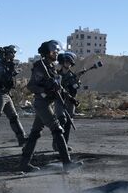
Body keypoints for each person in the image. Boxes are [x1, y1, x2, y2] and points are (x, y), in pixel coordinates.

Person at [19, 40, 82, 172]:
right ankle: (67, 163)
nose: (57, 54)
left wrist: (70, 98)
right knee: (57, 129)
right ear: (47, 53)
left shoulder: (51, 67)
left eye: (57, 51)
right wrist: (44, 90)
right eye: (54, 52)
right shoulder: (40, 66)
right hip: (42, 103)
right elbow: (31, 85)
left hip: (48, 103)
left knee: (35, 134)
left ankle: (24, 164)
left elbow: (59, 87)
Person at [0, 45, 27, 148]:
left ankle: (22, 138)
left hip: (6, 95)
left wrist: (12, 70)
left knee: (14, 117)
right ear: (6, 54)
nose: (13, 55)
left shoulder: (7, 65)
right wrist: (14, 72)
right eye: (12, 53)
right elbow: (3, 78)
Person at [53, 52, 80, 151]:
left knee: (68, 122)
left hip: (70, 101)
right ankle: (56, 144)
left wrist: (76, 81)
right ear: (63, 62)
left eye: (69, 63)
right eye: (66, 62)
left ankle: (64, 144)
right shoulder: (57, 74)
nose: (68, 64)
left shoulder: (73, 75)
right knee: (60, 120)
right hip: (59, 100)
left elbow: (75, 89)